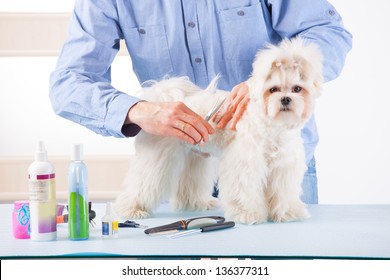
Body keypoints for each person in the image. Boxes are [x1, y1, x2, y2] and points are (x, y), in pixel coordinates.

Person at [49, 0, 352, 204]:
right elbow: (69, 81)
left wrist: (265, 81)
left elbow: (329, 33)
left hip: (274, 164)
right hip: (179, 165)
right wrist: (139, 110)